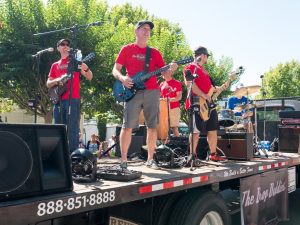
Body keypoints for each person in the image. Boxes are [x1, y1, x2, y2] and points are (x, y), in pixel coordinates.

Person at [112, 20, 178, 170]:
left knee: (152, 126)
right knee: (127, 126)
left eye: (149, 29)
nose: (147, 31)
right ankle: (123, 161)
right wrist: (122, 78)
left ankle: (150, 159)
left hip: (152, 91)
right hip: (131, 91)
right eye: (144, 28)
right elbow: (115, 69)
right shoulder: (127, 49)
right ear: (136, 31)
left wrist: (172, 68)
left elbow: (166, 74)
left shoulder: (154, 52)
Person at [46, 38, 93, 152]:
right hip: (58, 100)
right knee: (58, 128)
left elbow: (89, 76)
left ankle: (73, 155)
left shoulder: (75, 61)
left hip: (73, 99)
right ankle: (57, 153)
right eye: (63, 44)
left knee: (73, 129)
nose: (66, 46)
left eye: (67, 44)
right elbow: (48, 84)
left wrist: (84, 66)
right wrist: (58, 80)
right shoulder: (55, 65)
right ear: (58, 48)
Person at [183, 46, 228, 162]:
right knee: (196, 131)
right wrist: (204, 95)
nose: (207, 58)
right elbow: (190, 84)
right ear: (203, 55)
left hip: (209, 104)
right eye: (207, 56)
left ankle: (213, 154)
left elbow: (210, 88)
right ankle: (192, 156)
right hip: (197, 102)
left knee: (212, 129)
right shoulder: (190, 67)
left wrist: (219, 88)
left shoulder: (205, 71)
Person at [159, 70, 182, 138]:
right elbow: (158, 96)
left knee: (174, 127)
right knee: (164, 128)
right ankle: (164, 145)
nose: (162, 73)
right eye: (162, 72)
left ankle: (177, 144)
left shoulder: (177, 83)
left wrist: (169, 100)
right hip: (164, 108)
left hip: (174, 108)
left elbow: (179, 97)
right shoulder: (162, 84)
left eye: (165, 71)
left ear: (171, 73)